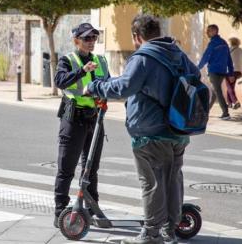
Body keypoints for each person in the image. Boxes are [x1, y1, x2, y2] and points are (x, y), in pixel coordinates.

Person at [85, 14, 200, 244]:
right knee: (173, 180)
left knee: (153, 182)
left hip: (150, 132)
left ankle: (150, 234)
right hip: (179, 131)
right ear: (158, 32)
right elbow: (196, 78)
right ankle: (169, 230)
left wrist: (95, 86)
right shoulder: (177, 54)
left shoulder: (143, 58)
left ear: (136, 36)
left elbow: (124, 87)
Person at [53, 23, 109, 228]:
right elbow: (60, 81)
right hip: (73, 119)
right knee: (66, 168)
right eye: (86, 38)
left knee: (91, 169)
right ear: (76, 40)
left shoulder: (101, 60)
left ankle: (92, 210)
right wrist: (82, 70)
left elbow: (108, 85)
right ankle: (60, 212)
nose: (91, 42)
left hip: (94, 119)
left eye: (94, 38)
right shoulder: (68, 60)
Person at [198, 24, 234, 120]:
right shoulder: (224, 43)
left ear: (214, 31)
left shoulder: (212, 43)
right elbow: (229, 59)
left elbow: (206, 57)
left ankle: (225, 113)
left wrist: (197, 68)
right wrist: (230, 72)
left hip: (214, 71)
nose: (207, 33)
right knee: (214, 92)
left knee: (217, 92)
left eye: (209, 31)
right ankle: (206, 111)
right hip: (222, 71)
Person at [226, 37, 242, 109]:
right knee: (230, 87)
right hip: (238, 71)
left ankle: (235, 102)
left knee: (229, 87)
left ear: (231, 42)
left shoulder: (228, 50)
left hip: (229, 71)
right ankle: (229, 103)